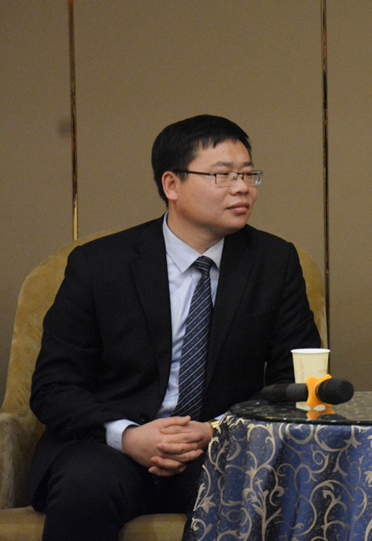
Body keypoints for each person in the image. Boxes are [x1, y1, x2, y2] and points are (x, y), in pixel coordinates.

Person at [28, 114, 322, 541]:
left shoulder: (274, 263)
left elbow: (295, 383)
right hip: (109, 446)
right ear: (172, 184)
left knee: (247, 485)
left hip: (218, 446)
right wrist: (128, 436)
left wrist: (216, 429)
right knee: (84, 486)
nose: (242, 187)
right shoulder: (99, 265)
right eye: (222, 175)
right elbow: (54, 387)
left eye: (248, 174)